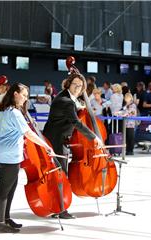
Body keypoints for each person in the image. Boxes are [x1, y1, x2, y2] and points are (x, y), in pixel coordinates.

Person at [0, 83, 55, 233]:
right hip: (9, 156)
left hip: (4, 154)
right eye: (24, 95)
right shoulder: (14, 112)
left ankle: (6, 219)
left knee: (10, 188)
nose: (26, 99)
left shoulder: (4, 109)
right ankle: (0, 223)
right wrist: (46, 146)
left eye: (27, 96)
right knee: (4, 190)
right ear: (15, 94)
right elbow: (29, 134)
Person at [43, 73, 104, 219]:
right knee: (61, 174)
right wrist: (94, 137)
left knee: (59, 174)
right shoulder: (66, 101)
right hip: (57, 140)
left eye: (80, 86)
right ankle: (60, 210)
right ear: (68, 84)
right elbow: (76, 122)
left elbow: (75, 103)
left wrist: (82, 105)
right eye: (75, 84)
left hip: (56, 137)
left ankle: (58, 207)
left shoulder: (67, 97)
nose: (78, 88)